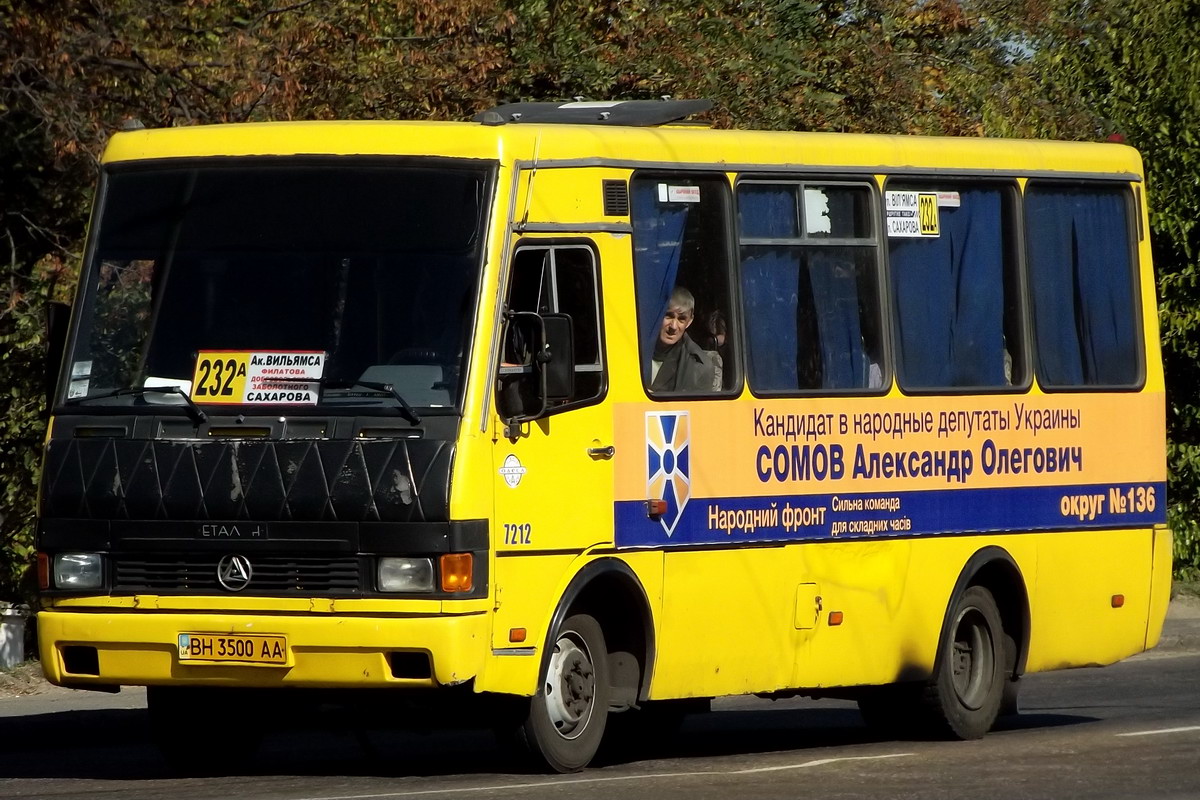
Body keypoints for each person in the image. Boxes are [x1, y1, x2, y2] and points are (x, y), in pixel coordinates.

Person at [650, 287, 717, 393]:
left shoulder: (700, 367)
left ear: (689, 322)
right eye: (668, 316)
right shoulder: (631, 349)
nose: (673, 326)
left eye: (681, 319)